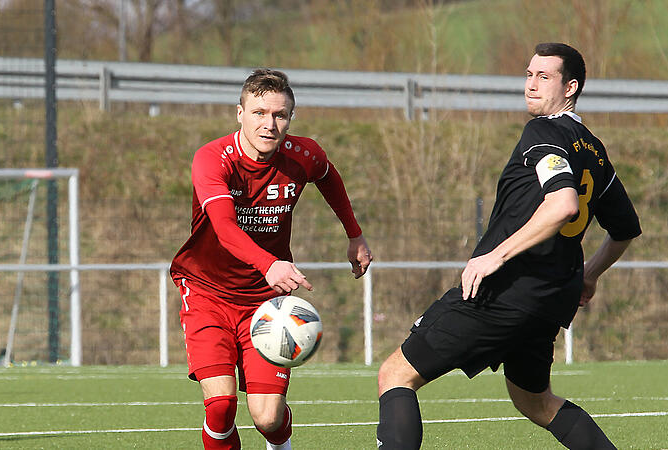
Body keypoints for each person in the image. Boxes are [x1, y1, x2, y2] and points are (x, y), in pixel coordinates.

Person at [376, 43, 641, 449]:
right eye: (529, 74)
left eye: (544, 77)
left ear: (570, 88)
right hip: (551, 299)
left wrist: (492, 256)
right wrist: (590, 275)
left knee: (396, 374)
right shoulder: (593, 150)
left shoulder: (543, 132)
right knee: (535, 401)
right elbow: (625, 229)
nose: (531, 85)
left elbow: (563, 204)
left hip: (504, 292)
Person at [170, 68, 373, 450]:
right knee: (221, 405)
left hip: (265, 303)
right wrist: (269, 264)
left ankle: (280, 443)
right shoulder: (213, 159)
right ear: (240, 113)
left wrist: (355, 234)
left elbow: (329, 177)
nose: (270, 124)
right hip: (207, 294)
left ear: (290, 118)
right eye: (260, 112)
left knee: (268, 418)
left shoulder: (304, 154)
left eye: (280, 115)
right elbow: (226, 228)